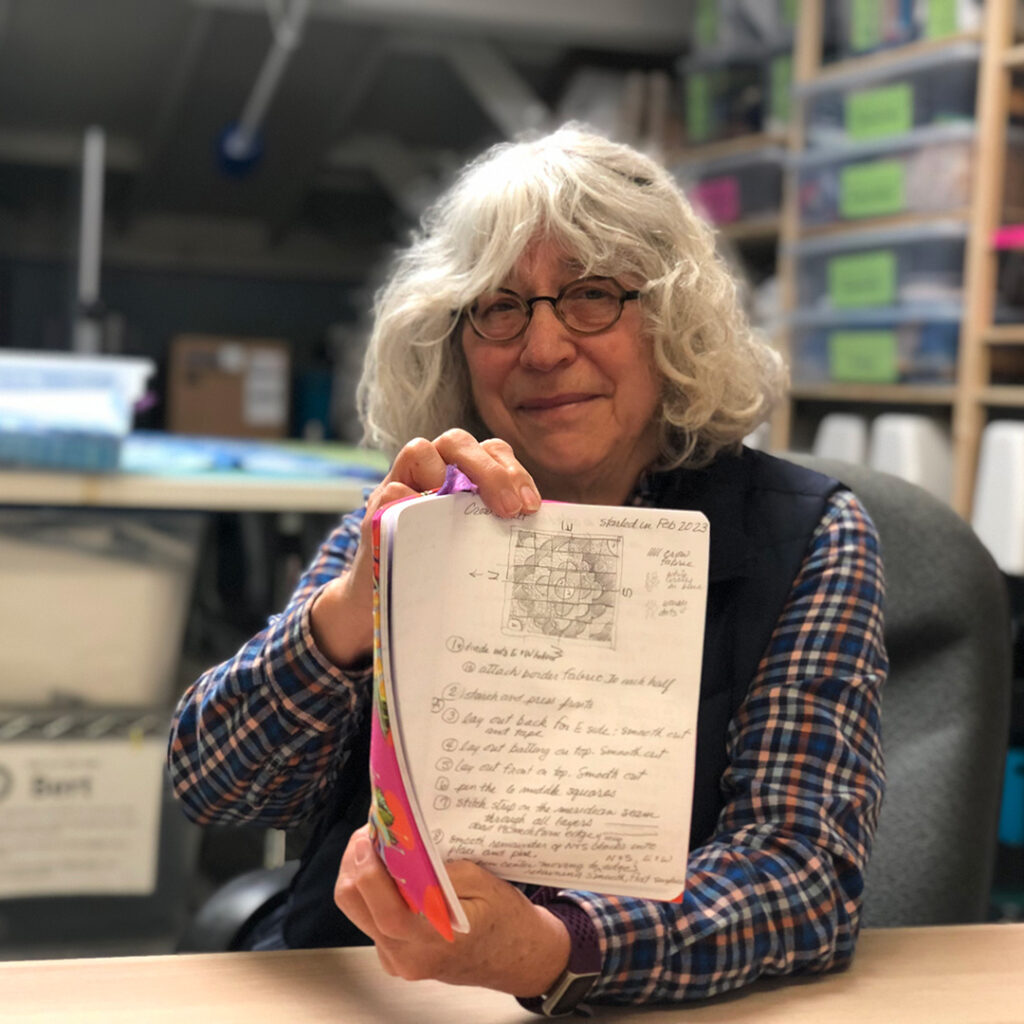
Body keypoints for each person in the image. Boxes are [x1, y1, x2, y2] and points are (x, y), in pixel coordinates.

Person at [168, 125, 886, 1013]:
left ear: (671, 320)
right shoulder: (417, 512)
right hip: (369, 994)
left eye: (592, 297)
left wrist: (550, 951)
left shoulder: (808, 537)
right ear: (457, 342)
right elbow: (216, 783)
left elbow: (802, 878)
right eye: (500, 309)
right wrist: (355, 606)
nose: (543, 350)